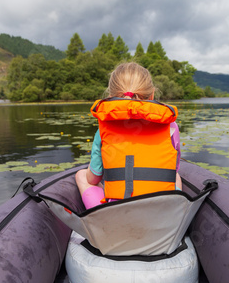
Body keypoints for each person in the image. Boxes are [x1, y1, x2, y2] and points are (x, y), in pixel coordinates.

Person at [75, 62, 182, 209]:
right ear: (152, 95)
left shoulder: (103, 129)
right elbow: (173, 169)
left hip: (118, 216)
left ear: (111, 96)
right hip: (161, 213)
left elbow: (93, 178)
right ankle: (177, 214)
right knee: (176, 176)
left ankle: (101, 220)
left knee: (81, 175)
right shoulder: (171, 127)